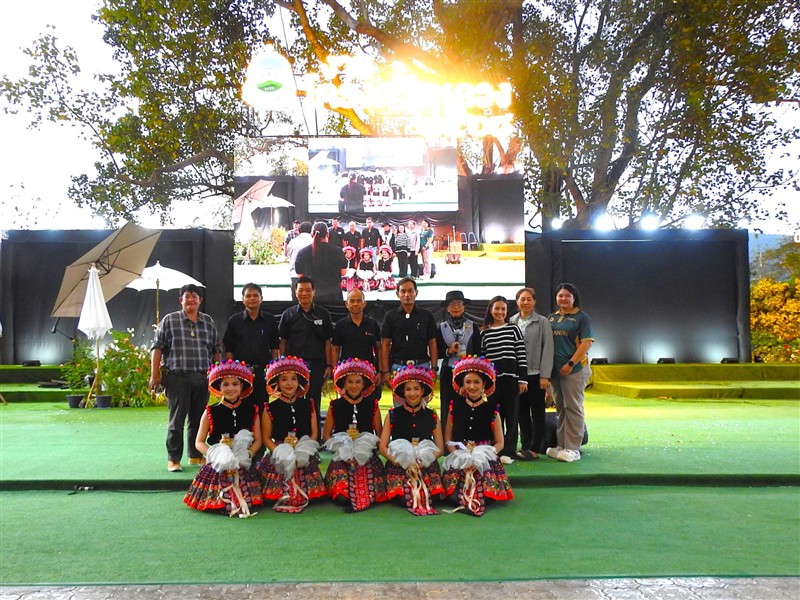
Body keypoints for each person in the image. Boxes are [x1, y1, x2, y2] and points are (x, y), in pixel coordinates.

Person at [150, 284, 221, 473]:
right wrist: (154, 375)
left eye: (194, 296)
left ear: (200, 300)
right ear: (180, 300)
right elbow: (157, 348)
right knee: (177, 420)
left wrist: (217, 375)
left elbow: (216, 349)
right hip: (177, 378)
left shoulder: (208, 321)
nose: (190, 300)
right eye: (187, 296)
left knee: (198, 419)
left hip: (202, 378)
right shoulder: (170, 320)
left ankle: (195, 455)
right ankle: (173, 459)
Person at [183, 360, 262, 517]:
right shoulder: (210, 411)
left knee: (249, 499)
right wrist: (215, 455)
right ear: (219, 387)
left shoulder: (252, 410)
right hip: (217, 464)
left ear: (242, 386)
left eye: (235, 384)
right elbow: (199, 442)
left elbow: (258, 440)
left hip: (243, 462)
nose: (230, 388)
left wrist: (248, 454)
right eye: (225, 384)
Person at [442, 356, 514, 516]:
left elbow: (500, 443)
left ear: (484, 385)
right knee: (453, 495)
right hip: (460, 456)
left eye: (476, 382)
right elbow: (448, 439)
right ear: (462, 384)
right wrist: (459, 456)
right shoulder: (454, 407)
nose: (472, 386)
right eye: (468, 382)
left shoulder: (492, 410)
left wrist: (482, 457)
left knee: (484, 492)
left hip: (484, 458)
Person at [257, 356, 326, 512]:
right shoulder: (269, 408)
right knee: (271, 496)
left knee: (314, 494)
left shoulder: (308, 404)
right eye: (284, 379)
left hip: (304, 449)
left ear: (299, 381)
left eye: (293, 379)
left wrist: (304, 450)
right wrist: (280, 452)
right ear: (277, 382)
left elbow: (314, 433)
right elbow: (266, 438)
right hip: (279, 451)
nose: (289, 383)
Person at [322, 359, 387, 512]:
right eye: (350, 382)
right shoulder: (335, 405)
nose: (354, 385)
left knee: (372, 493)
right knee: (342, 498)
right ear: (343, 383)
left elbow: (380, 435)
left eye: (358, 382)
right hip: (342, 456)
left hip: (367, 456)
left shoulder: (373, 405)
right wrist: (340, 451)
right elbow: (326, 435)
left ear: (364, 384)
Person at [378, 366, 444, 516]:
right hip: (399, 465)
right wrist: (397, 460)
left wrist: (425, 461)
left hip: (425, 465)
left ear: (423, 391)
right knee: (404, 498)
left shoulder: (432, 415)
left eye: (416, 389)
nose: (412, 393)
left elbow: (440, 448)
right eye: (408, 389)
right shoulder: (393, 414)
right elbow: (382, 447)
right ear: (403, 391)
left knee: (432, 497)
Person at [277, 276, 334, 432]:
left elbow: (328, 341)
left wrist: (329, 365)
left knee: (313, 401)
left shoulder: (323, 314)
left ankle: (315, 436)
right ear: (295, 292)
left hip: (317, 365)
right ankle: (291, 434)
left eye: (308, 290)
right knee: (291, 400)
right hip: (293, 367)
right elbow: (283, 341)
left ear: (314, 292)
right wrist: (281, 364)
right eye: (301, 290)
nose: (304, 293)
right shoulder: (288, 314)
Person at [546, 283, 594, 463]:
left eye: (567, 296)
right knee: (560, 407)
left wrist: (571, 363)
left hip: (574, 370)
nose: (563, 299)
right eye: (560, 296)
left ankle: (573, 448)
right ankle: (561, 445)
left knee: (573, 407)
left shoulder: (582, 318)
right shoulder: (552, 318)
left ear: (574, 298)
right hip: (556, 371)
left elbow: (586, 344)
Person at [476, 295, 527, 465]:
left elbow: (521, 355)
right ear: (490, 310)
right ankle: (495, 449)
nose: (500, 312)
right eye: (497, 308)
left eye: (503, 309)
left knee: (512, 417)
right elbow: (483, 360)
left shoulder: (513, 329)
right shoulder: (484, 332)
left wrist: (523, 379)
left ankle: (509, 451)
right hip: (492, 383)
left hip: (511, 381)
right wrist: (484, 384)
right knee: (494, 416)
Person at [509, 287, 553, 460]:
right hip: (518, 375)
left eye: (529, 299)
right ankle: (525, 445)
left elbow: (548, 349)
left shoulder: (543, 322)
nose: (525, 302)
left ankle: (535, 448)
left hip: (536, 374)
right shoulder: (511, 321)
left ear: (534, 302)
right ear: (517, 301)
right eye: (522, 299)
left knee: (537, 411)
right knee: (521, 412)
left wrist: (545, 375)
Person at [222, 283, 280, 410]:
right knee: (241, 408)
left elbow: (275, 346)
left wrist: (274, 369)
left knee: (261, 407)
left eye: (255, 295)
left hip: (263, 372)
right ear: (243, 299)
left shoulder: (270, 320)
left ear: (261, 298)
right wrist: (231, 371)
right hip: (241, 372)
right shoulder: (234, 321)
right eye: (248, 296)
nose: (252, 298)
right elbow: (229, 348)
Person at [380, 277, 438, 388]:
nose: (407, 295)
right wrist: (385, 371)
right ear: (397, 294)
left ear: (416, 293)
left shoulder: (426, 315)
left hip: (422, 366)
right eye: (403, 291)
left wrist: (434, 368)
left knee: (422, 398)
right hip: (398, 366)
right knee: (399, 399)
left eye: (410, 291)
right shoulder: (390, 316)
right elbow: (385, 344)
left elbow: (432, 343)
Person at [436, 290, 478, 435]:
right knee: (447, 405)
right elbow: (436, 351)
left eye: (459, 304)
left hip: (468, 372)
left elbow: (479, 351)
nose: (456, 307)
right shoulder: (441, 327)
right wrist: (448, 351)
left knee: (468, 403)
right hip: (448, 371)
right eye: (452, 304)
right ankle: (447, 439)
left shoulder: (473, 326)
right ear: (447, 308)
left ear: (464, 306)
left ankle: (467, 436)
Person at [329, 288, 383, 392]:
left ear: (364, 303)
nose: (355, 304)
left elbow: (379, 349)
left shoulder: (372, 324)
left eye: (359, 301)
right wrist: (335, 370)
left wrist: (380, 371)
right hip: (346, 373)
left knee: (370, 400)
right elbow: (335, 349)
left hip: (369, 372)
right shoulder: (340, 325)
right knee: (346, 401)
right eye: (352, 301)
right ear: (346, 304)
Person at [295, 222, 348, 304]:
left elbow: (300, 275)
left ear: (312, 234)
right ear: (328, 234)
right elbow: (343, 272)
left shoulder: (303, 253)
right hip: (333, 295)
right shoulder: (337, 251)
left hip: (312, 296)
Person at [286, 221, 313, 302]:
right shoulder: (313, 242)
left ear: (299, 231)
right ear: (311, 231)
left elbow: (289, 255)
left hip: (294, 274)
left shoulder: (292, 242)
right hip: (309, 276)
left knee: (295, 303)